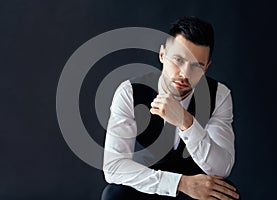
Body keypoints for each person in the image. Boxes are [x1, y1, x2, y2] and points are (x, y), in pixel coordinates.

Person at [102, 16, 240, 200]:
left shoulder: (219, 95)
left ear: (206, 67)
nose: (184, 74)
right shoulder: (130, 93)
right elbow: (113, 167)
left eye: (196, 66)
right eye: (178, 60)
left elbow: (221, 169)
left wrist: (186, 122)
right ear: (162, 55)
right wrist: (180, 183)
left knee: (226, 194)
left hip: (199, 185)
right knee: (114, 195)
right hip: (154, 181)